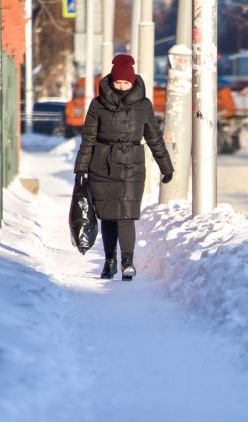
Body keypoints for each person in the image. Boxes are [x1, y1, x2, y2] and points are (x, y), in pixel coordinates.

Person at [74, 54, 174, 280]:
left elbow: (154, 137)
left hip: (132, 165)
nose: (121, 87)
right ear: (111, 81)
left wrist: (166, 166)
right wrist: (80, 169)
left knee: (126, 215)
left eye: (125, 83)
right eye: (117, 82)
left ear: (132, 81)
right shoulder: (98, 104)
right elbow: (88, 138)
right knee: (108, 216)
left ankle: (128, 261)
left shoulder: (144, 105)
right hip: (102, 164)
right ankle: (109, 261)